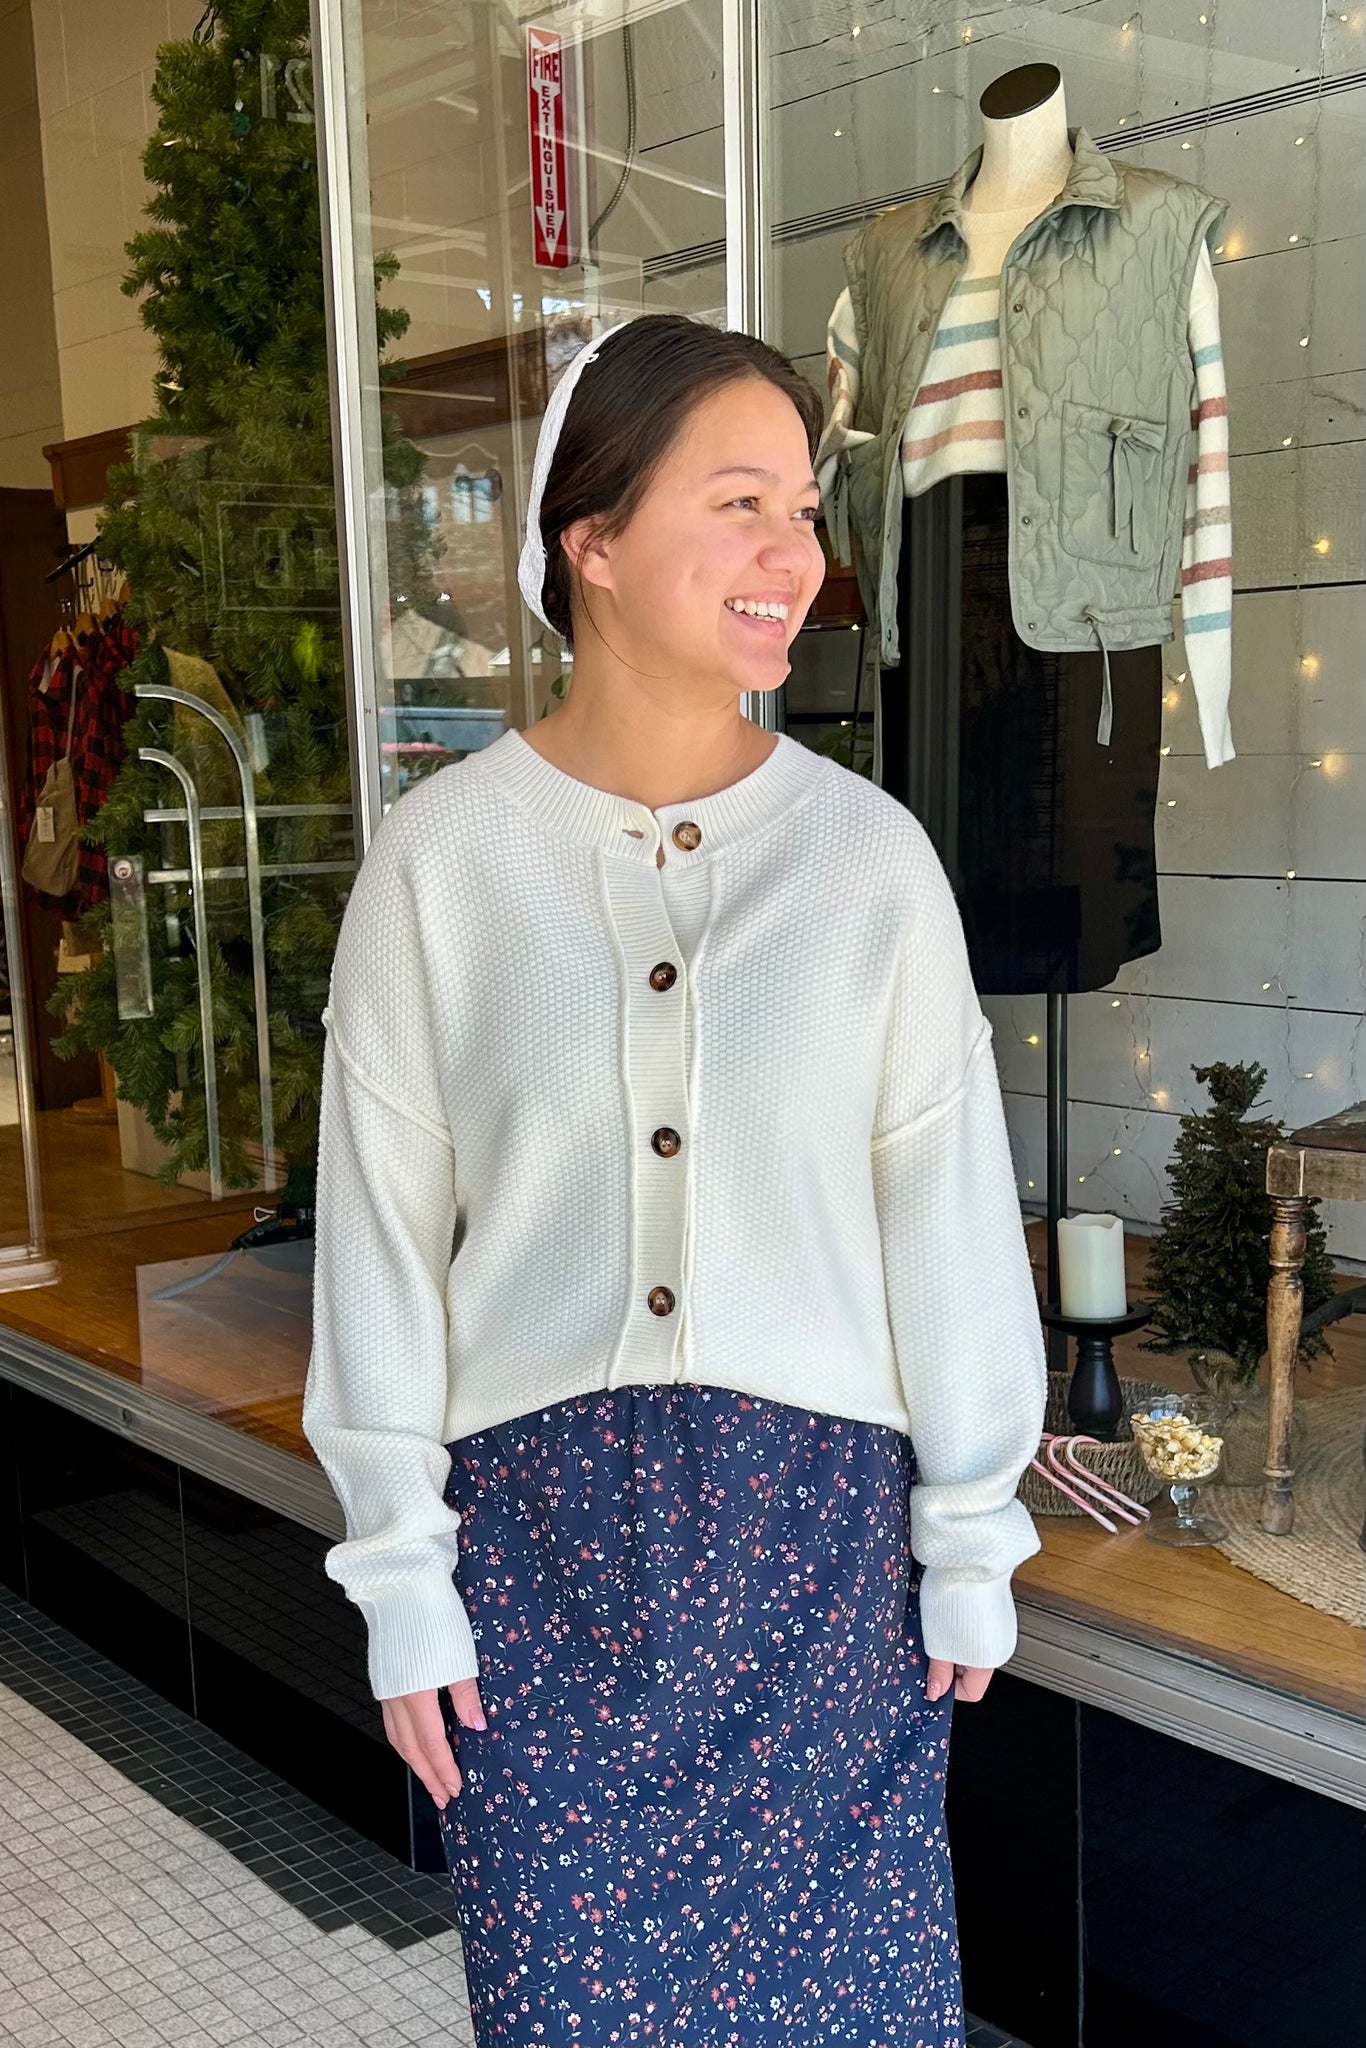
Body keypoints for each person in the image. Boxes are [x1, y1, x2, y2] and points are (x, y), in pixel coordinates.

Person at [302, 312, 1048, 2047]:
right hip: (536, 1550)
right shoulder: (445, 863)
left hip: (816, 1555)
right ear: (596, 541)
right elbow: (382, 1241)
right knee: (570, 2013)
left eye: (802, 510)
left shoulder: (867, 863)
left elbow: (937, 1217)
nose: (794, 556)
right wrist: (403, 1580)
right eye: (739, 505)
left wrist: (967, 1534)